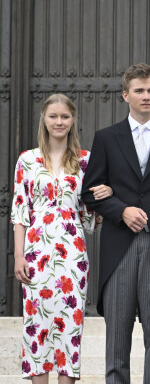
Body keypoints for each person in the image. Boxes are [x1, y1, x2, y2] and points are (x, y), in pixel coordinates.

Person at [80, 63, 150, 384]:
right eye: (139, 91)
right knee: (117, 335)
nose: (146, 96)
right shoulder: (106, 138)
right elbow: (90, 193)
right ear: (125, 94)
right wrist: (122, 210)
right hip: (120, 244)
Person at [11, 94, 112, 383]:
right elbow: (20, 212)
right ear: (44, 119)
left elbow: (91, 212)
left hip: (72, 255)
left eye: (64, 117)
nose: (59, 121)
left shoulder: (86, 160)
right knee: (36, 324)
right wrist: (19, 256)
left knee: (70, 325)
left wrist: (106, 194)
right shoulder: (27, 160)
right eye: (53, 116)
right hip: (35, 253)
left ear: (72, 120)